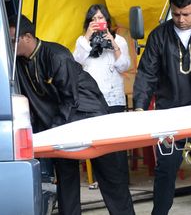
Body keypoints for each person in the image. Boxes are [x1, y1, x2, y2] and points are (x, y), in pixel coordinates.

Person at [9, 14, 135, 215]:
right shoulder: (19, 63)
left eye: (12, 40)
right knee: (66, 180)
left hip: (90, 115)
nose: (10, 46)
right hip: (60, 122)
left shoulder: (57, 55)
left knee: (110, 177)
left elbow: (70, 99)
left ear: (26, 37)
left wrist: (52, 130)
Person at [133, 0, 191, 215]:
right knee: (166, 170)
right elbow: (146, 74)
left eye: (186, 14)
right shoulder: (159, 36)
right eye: (176, 14)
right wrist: (140, 106)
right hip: (169, 113)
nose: (181, 20)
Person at [73, 4, 131, 193]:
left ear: (107, 20)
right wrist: (88, 37)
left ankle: (122, 179)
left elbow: (124, 66)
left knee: (117, 141)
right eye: (94, 19)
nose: (98, 22)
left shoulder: (119, 40)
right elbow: (76, 63)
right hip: (92, 99)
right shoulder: (82, 41)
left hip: (114, 97)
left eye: (101, 18)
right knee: (98, 141)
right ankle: (100, 179)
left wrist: (113, 44)